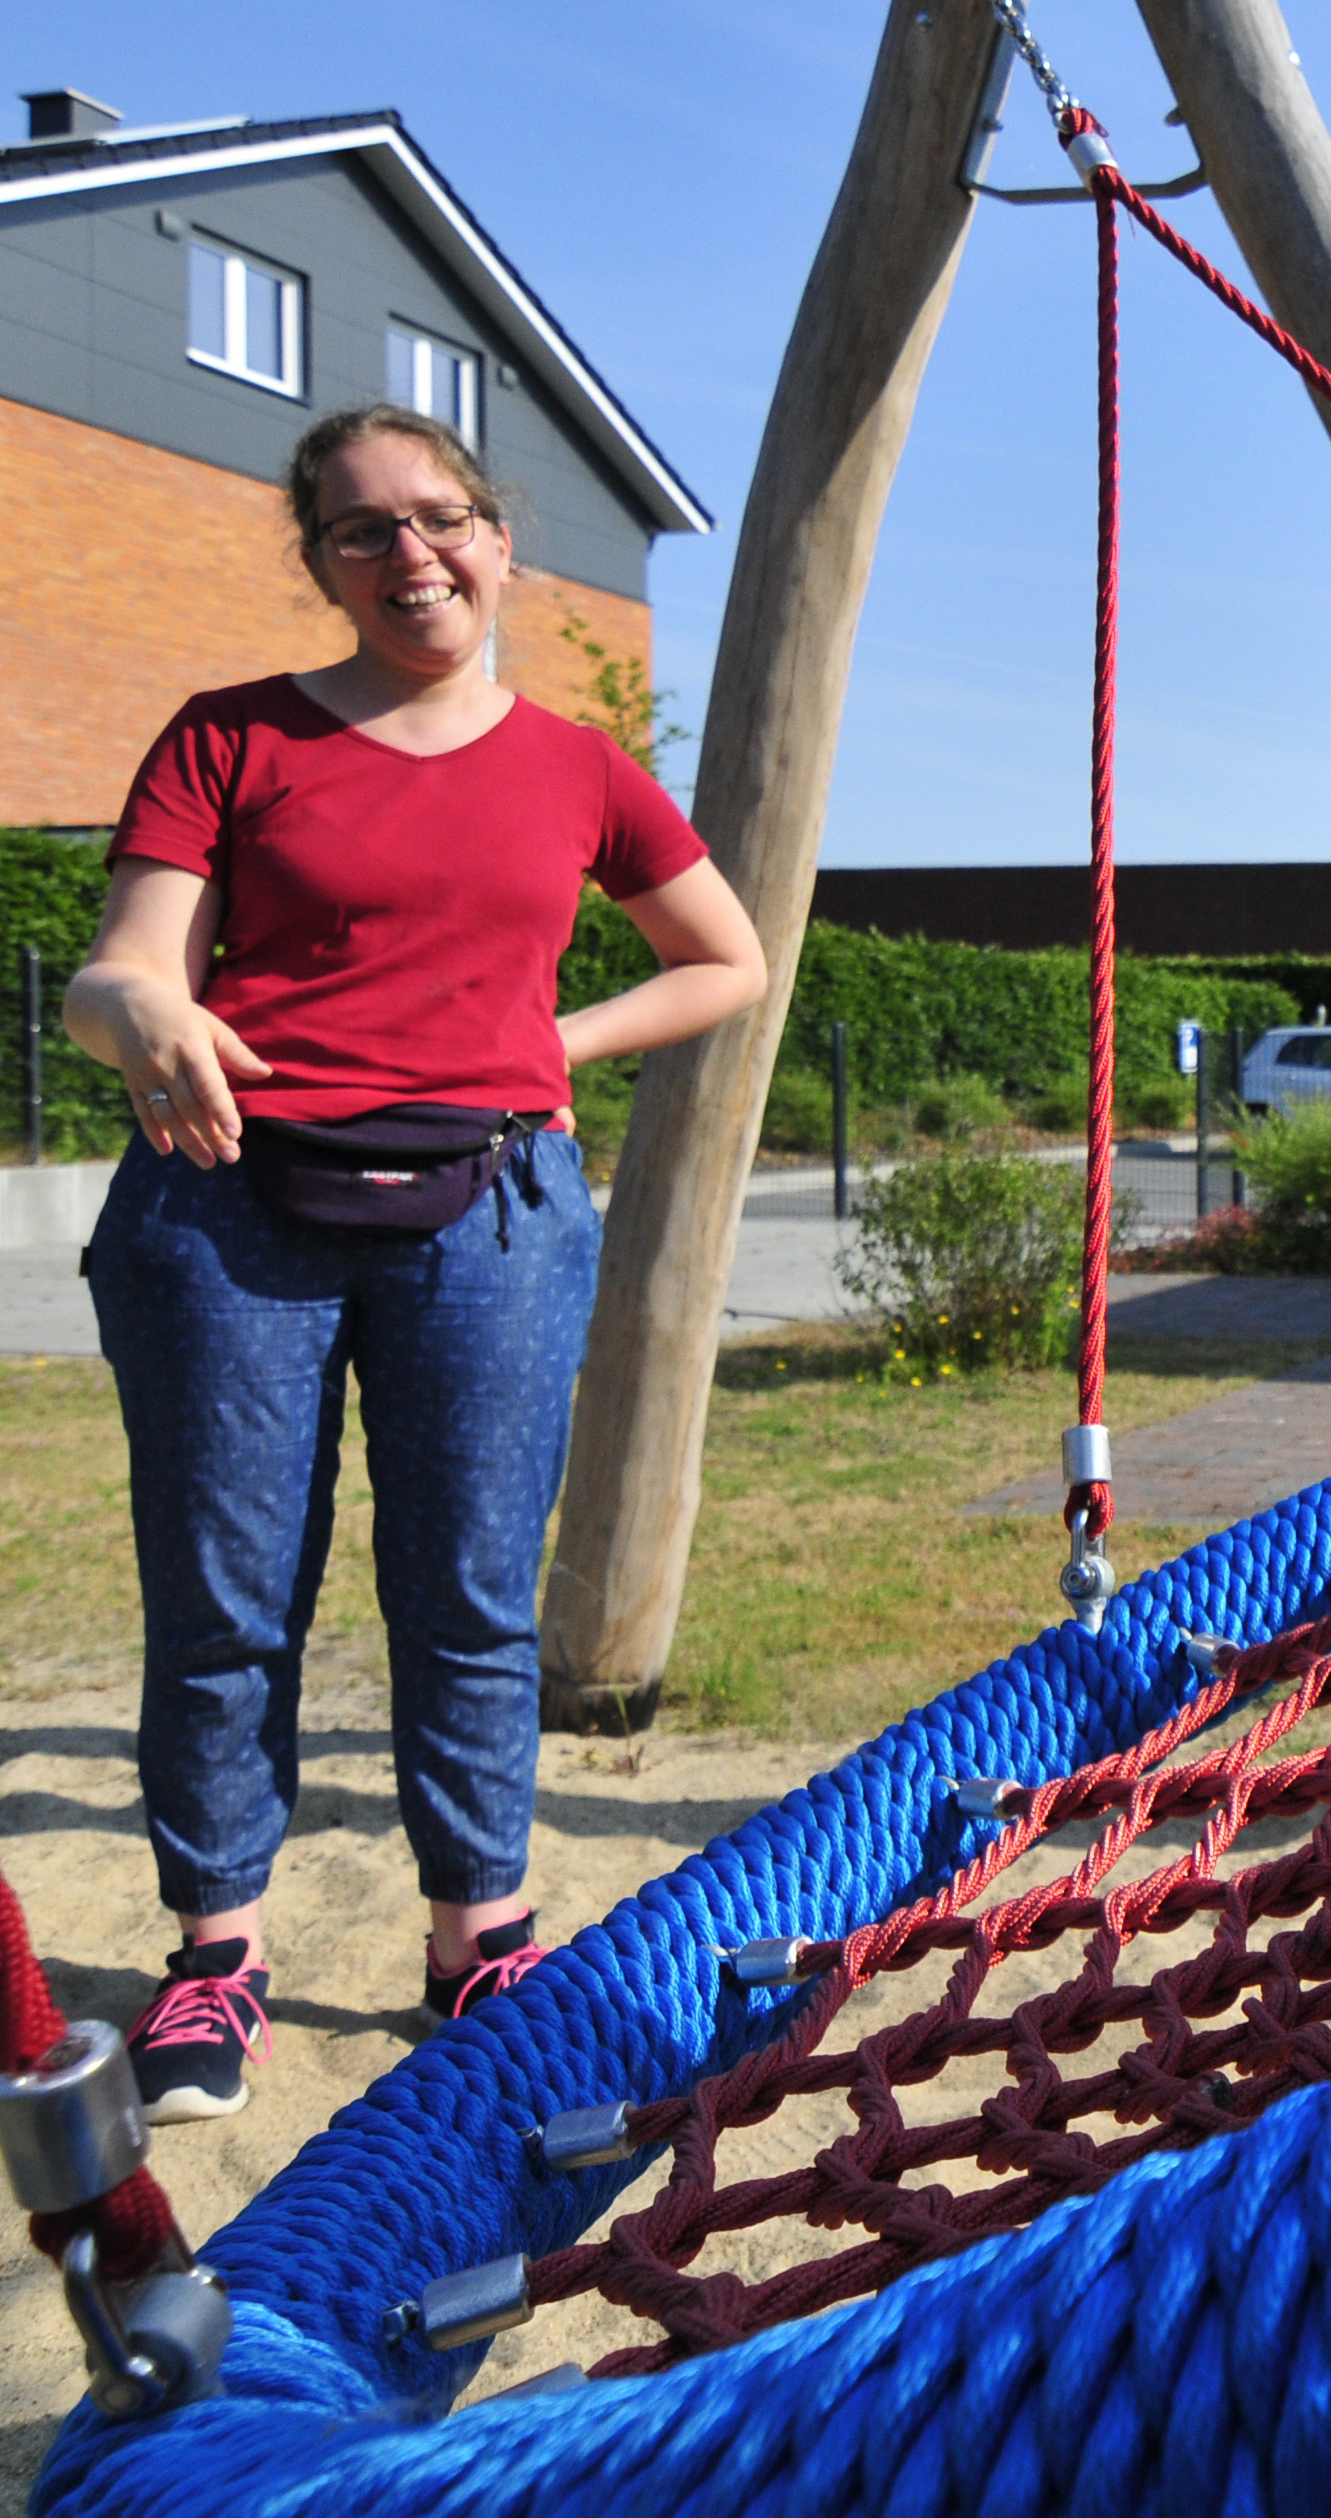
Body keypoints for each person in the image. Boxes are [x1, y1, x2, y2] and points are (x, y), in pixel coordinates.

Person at [66, 404, 766, 2123]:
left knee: (467, 1597)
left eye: (439, 517)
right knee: (227, 1601)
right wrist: (146, 1004)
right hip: (226, 1203)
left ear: (502, 539)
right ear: (318, 562)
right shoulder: (227, 741)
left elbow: (725, 958)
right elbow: (116, 975)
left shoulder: (582, 769)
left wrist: (545, 1045)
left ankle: (480, 1939)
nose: (410, 554)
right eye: (361, 530)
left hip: (495, 1215)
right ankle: (218, 1960)